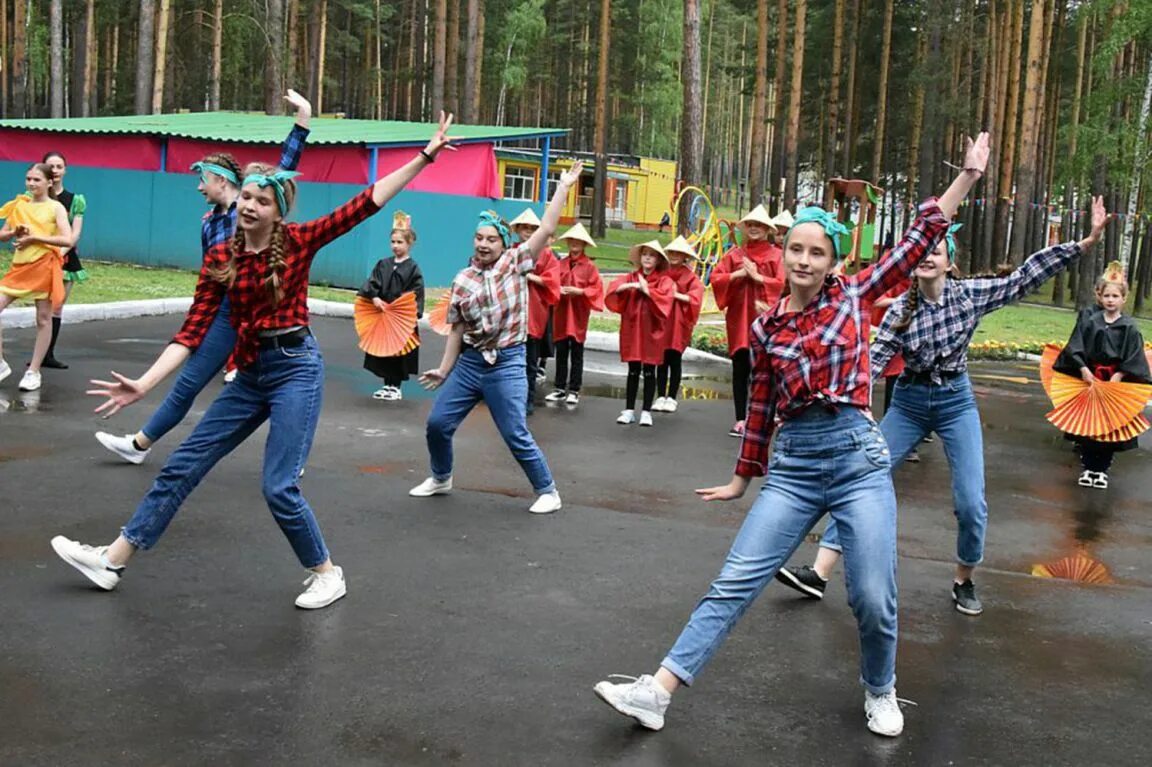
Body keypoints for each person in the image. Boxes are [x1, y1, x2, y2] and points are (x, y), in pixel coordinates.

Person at [592, 134, 989, 739]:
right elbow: (760, 409)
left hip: (858, 459)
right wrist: (739, 479)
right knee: (733, 582)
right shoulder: (766, 326)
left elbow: (918, 240)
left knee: (875, 597)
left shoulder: (856, 296)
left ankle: (881, 691)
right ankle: (658, 691)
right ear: (786, 253)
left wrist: (965, 176)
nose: (804, 260)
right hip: (796, 467)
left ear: (832, 261)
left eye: (816, 252)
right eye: (796, 249)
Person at [49, 113, 459, 609]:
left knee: (278, 486)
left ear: (277, 210)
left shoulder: (299, 241)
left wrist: (425, 156)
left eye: (261, 200)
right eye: (245, 196)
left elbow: (366, 203)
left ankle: (327, 573)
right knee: (181, 465)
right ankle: (112, 561)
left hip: (295, 368)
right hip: (249, 375)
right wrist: (144, 382)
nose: (249, 205)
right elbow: (194, 329)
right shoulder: (222, 256)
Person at [776, 195, 1109, 617]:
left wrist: (1082, 244)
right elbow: (870, 366)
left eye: (937, 250)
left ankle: (964, 579)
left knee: (971, 501)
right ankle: (820, 573)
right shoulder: (900, 309)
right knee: (860, 477)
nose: (928, 256)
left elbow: (1025, 277)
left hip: (955, 402)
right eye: (924, 250)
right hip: (911, 403)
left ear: (949, 261)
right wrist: (828, 405)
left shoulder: (968, 296)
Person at [94, 90, 312, 464]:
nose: (198, 187)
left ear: (223, 182)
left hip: (263, 311)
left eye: (203, 180)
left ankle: (292, 460)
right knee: (189, 382)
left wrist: (303, 119)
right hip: (225, 311)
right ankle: (139, 446)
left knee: (284, 384)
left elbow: (282, 171)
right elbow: (210, 274)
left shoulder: (249, 210)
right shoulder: (210, 223)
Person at [408, 162, 584, 514]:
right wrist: (444, 369)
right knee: (438, 424)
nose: (484, 244)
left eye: (491, 239)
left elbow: (548, 227)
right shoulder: (462, 279)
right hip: (471, 363)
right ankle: (441, 477)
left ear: (503, 244)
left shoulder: (516, 262)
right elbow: (457, 328)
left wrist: (563, 187)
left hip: (508, 362)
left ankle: (548, 490)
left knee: (514, 431)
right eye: (479, 238)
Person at [1052, 259, 1150, 489]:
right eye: (1107, 296)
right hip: (1092, 380)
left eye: (1115, 296)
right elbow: (1076, 346)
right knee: (1088, 426)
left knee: (1109, 427)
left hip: (1115, 383)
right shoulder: (1092, 322)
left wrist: (1120, 375)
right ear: (1100, 296)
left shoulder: (1129, 327)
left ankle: (1102, 469)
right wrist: (1084, 370)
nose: (1110, 300)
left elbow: (1134, 355)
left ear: (1123, 299)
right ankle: (1088, 468)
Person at [708, 204, 784, 437]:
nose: (754, 228)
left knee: (766, 370)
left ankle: (764, 417)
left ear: (766, 229)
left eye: (758, 225)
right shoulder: (735, 255)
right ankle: (741, 419)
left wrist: (758, 277)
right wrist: (738, 274)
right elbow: (716, 278)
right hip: (738, 320)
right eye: (750, 224)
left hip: (765, 321)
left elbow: (781, 284)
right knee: (740, 369)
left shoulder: (776, 255)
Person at [0, 163, 73, 391]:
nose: (31, 183)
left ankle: (34, 371)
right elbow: (3, 234)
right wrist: (14, 232)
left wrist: (36, 239)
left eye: (37, 180)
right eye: (28, 179)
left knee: (43, 318)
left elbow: (67, 239)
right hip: (19, 268)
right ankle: (1, 363)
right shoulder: (19, 205)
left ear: (49, 183)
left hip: (44, 266)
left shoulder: (56, 208)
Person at [606, 240, 675, 426]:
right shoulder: (631, 277)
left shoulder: (664, 281)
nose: (647, 258)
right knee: (633, 369)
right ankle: (629, 409)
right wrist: (629, 287)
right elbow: (614, 289)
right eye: (645, 254)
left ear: (658, 260)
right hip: (632, 329)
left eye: (652, 255)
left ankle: (646, 410)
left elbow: (666, 302)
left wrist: (648, 291)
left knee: (650, 370)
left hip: (652, 331)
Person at [358, 210, 425, 401]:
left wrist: (399, 307)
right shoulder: (383, 264)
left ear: (409, 243)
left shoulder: (413, 268)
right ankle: (386, 384)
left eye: (400, 242)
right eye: (393, 242)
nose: (396, 246)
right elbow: (372, 283)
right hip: (382, 314)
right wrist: (374, 298)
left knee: (398, 350)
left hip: (399, 318)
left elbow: (415, 292)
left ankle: (396, 385)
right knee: (384, 348)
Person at [35, 151, 86, 369]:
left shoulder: (75, 200)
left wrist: (60, 253)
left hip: (65, 260)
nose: (54, 171)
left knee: (57, 307)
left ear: (65, 170)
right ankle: (39, 355)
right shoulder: (34, 199)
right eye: (50, 166)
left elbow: (74, 235)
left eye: (58, 166)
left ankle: (48, 354)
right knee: (42, 310)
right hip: (39, 259)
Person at [545, 223, 604, 407]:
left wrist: (579, 292)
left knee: (577, 352)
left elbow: (596, 288)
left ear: (584, 244)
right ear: (568, 242)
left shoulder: (589, 267)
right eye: (572, 241)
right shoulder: (560, 264)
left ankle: (575, 390)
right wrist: (559, 289)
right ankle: (559, 388)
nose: (575, 244)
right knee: (561, 350)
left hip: (578, 314)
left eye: (578, 241)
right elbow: (551, 283)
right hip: (561, 312)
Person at [509, 208, 560, 415]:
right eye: (525, 228)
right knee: (509, 362)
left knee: (530, 362)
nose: (528, 232)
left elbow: (553, 282)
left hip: (533, 314)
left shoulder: (546, 255)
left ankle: (527, 399)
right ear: (518, 229)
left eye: (533, 228)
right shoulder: (509, 251)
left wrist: (531, 278)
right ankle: (507, 399)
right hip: (511, 314)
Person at [653, 235, 704, 414]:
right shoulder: (661, 272)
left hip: (679, 323)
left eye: (679, 253)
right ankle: (660, 395)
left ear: (685, 257)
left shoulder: (690, 277)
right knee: (660, 359)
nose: (674, 255)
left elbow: (696, 298)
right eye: (672, 252)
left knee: (674, 359)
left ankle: (672, 397)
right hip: (662, 320)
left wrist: (675, 295)